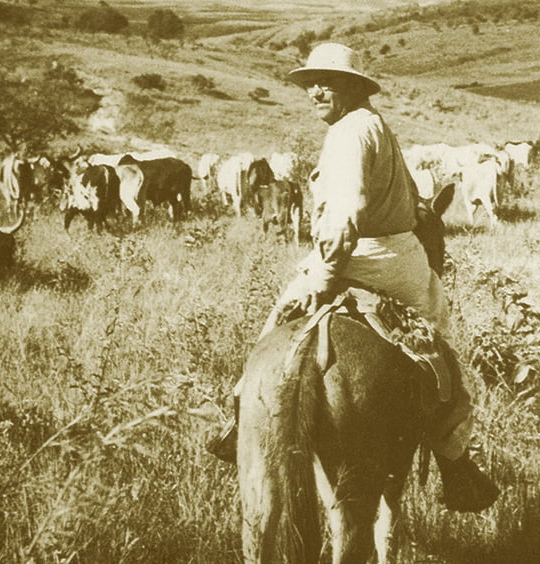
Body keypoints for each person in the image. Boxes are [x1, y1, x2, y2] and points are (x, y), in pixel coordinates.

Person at [207, 42, 498, 512]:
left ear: (352, 86)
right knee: (439, 353)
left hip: (353, 255)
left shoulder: (349, 133)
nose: (315, 91)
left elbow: (346, 213)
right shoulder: (374, 126)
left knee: (274, 326)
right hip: (399, 259)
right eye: (310, 84)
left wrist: (323, 275)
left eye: (327, 82)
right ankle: (454, 459)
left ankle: (241, 420)